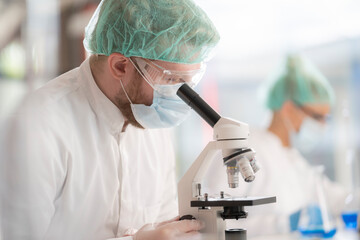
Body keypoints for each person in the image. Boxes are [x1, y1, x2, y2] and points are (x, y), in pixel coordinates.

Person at [0, 0, 220, 239]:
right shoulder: (37, 125)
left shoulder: (152, 121)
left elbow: (164, 227)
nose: (181, 97)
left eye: (189, 82)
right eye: (170, 80)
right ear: (120, 66)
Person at [205, 54, 349, 237]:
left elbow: (335, 198)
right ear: (288, 109)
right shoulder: (242, 147)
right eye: (317, 117)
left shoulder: (290, 157)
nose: (323, 126)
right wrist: (285, 223)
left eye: (326, 118)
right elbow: (215, 222)